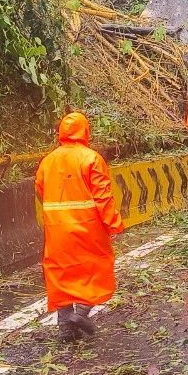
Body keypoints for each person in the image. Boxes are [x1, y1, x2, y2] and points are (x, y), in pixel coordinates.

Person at [35, 111, 125, 342]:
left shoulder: (48, 161)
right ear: (85, 131)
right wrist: (113, 223)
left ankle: (65, 326)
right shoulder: (91, 158)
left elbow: (41, 190)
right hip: (88, 228)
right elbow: (103, 197)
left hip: (56, 229)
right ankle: (81, 313)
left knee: (60, 274)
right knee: (96, 269)